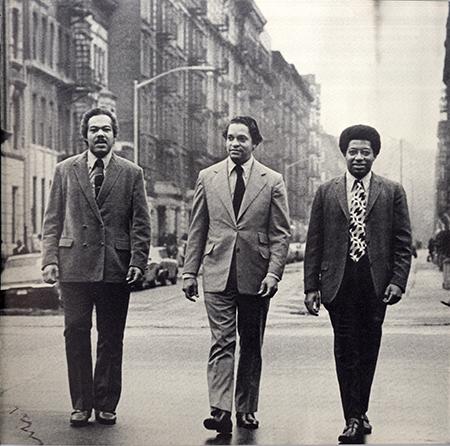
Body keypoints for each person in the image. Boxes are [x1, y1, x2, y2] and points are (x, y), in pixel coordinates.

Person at [41, 107, 150, 427]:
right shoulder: (65, 170)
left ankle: (105, 403)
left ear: (115, 135)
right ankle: (80, 403)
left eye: (106, 130)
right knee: (75, 333)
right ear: (84, 135)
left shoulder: (132, 173)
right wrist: (49, 260)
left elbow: (141, 223)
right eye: (94, 130)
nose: (100, 135)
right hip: (74, 266)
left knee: (111, 337)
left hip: (113, 267)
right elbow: (52, 220)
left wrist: (138, 261)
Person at [304, 124, 412, 444]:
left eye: (365, 152)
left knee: (368, 349)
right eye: (353, 151)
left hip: (375, 283)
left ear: (375, 155)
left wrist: (398, 281)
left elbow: (402, 242)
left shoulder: (392, 191)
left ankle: (359, 410)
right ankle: (352, 416)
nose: (359, 157)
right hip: (338, 282)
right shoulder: (327, 191)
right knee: (344, 348)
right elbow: (314, 241)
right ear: (344, 154)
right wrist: (311, 287)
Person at [182, 116, 290, 434]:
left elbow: (280, 234)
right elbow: (197, 227)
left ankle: (245, 409)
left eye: (242, 138)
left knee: (251, 343)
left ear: (254, 143)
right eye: (230, 138)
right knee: (221, 341)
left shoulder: (272, 181)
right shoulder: (207, 177)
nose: (234, 144)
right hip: (217, 271)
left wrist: (274, 273)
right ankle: (219, 410)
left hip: (256, 275)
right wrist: (189, 271)